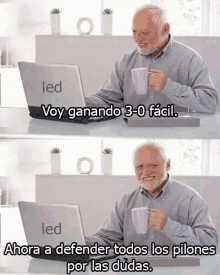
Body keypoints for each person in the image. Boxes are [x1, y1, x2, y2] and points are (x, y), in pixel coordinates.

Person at [85, 5, 218, 114]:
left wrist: (168, 86)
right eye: (134, 32)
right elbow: (107, 99)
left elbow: (211, 103)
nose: (137, 39)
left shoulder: (190, 59)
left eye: (144, 33)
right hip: (133, 133)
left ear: (165, 29)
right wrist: (78, 102)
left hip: (175, 134)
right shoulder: (125, 61)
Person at [85, 143, 218, 249]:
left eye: (153, 165)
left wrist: (168, 226)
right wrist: (77, 240)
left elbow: (211, 243)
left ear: (168, 164)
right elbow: (106, 238)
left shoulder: (190, 198)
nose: (146, 172)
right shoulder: (126, 201)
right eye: (139, 167)